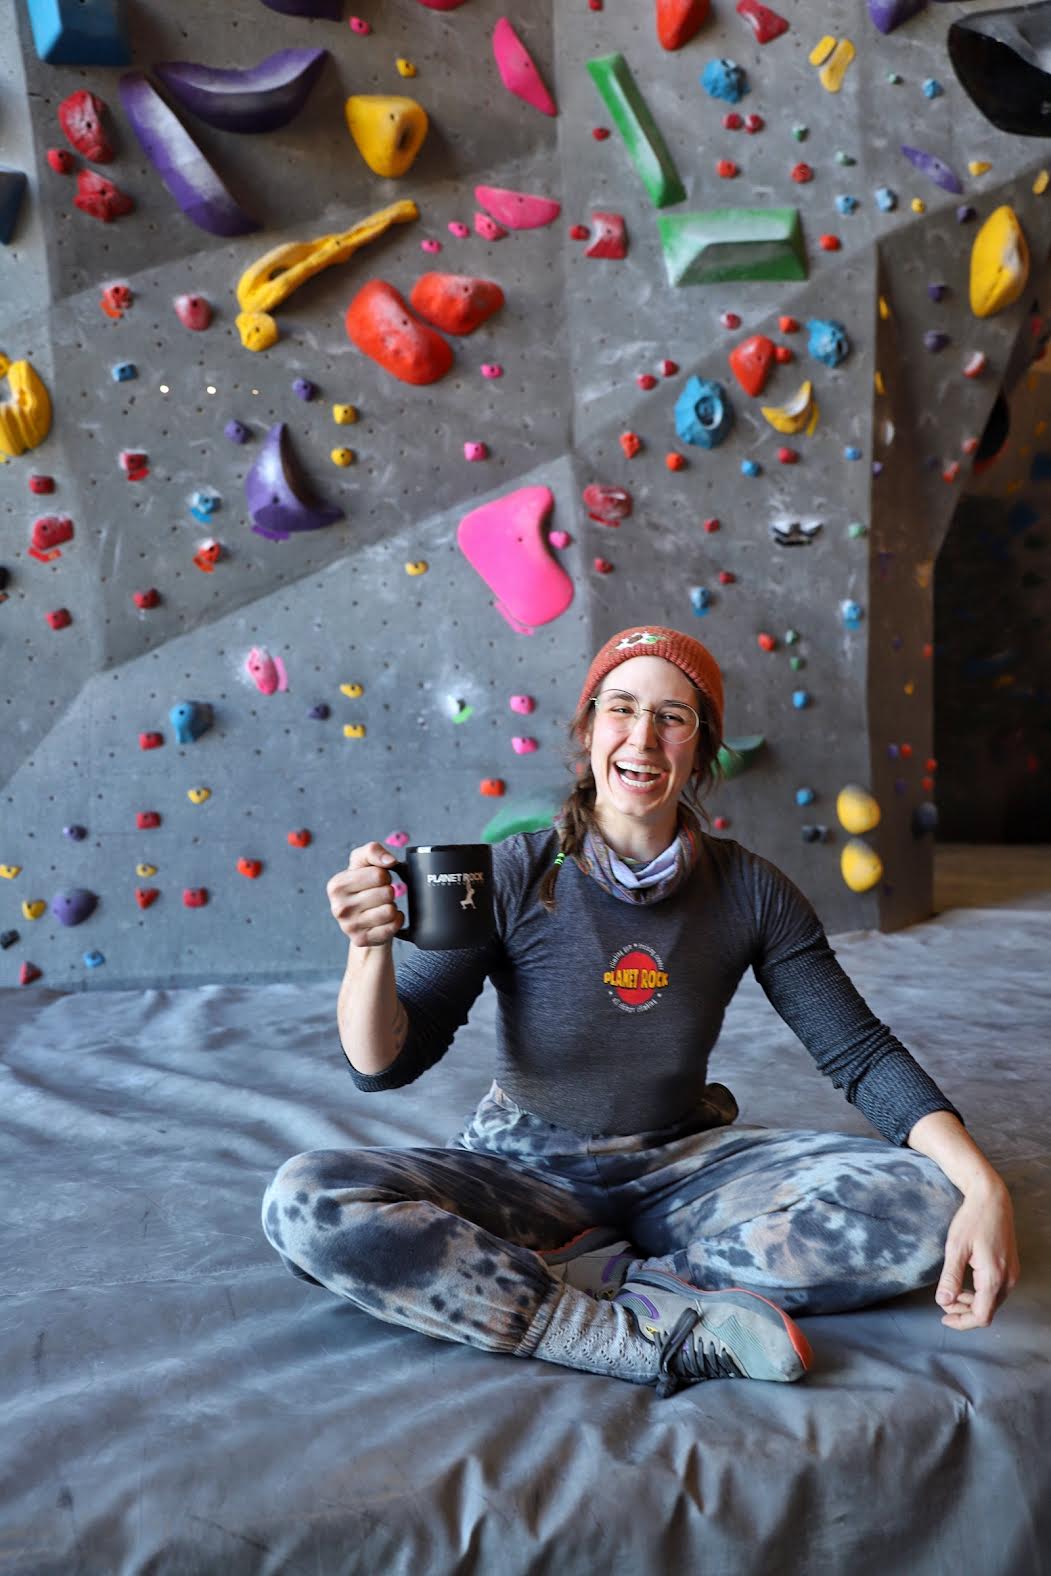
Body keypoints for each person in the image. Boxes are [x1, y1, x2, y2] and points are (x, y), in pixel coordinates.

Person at [262, 626, 1020, 1399]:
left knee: (927, 1201)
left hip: (678, 1164)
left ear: (702, 748)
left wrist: (983, 1187)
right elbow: (383, 1060)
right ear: (587, 729)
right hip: (523, 1169)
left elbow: (858, 1054)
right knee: (308, 1201)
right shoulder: (510, 873)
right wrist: (369, 948)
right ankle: (604, 1333)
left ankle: (629, 1279)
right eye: (620, 708)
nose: (643, 737)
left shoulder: (751, 890)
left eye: (673, 716)